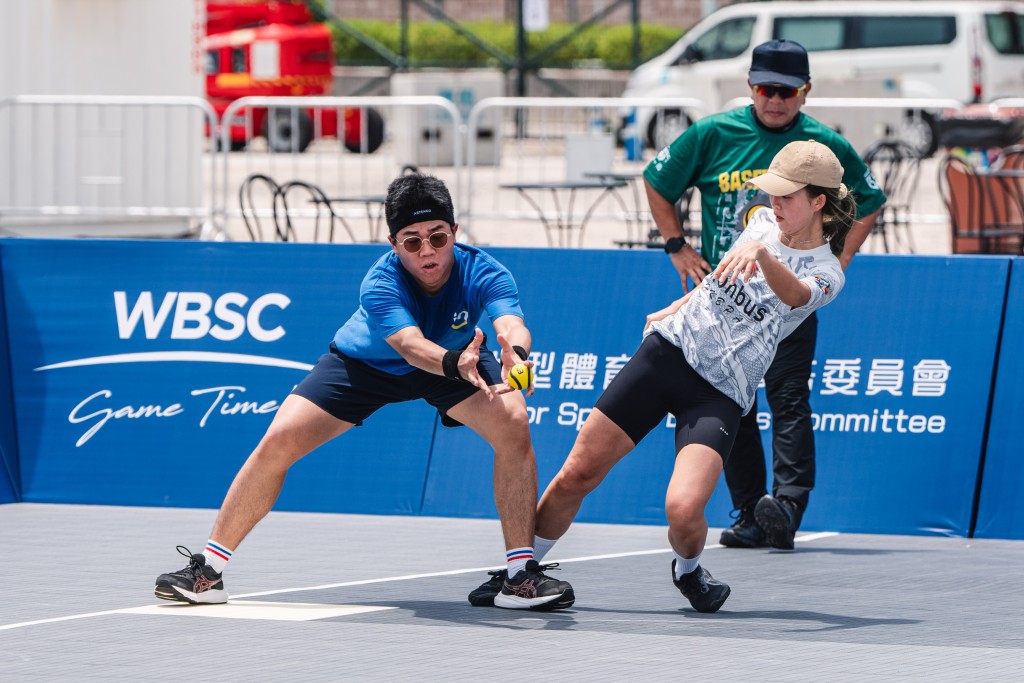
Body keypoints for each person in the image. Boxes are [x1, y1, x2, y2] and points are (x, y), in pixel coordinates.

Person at [155, 172, 574, 612]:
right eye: (412, 242)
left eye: (437, 236)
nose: (427, 251)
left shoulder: (483, 269)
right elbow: (411, 348)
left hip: (454, 360)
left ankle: (519, 576)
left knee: (514, 421)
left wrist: (516, 350)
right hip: (367, 366)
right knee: (278, 440)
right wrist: (455, 363)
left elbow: (510, 321)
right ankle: (208, 571)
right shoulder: (380, 284)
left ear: (455, 231)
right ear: (393, 244)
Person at [478, 140, 854, 613]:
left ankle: (689, 569)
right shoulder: (760, 223)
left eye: (787, 196)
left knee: (682, 508)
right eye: (773, 193)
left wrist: (763, 255)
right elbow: (721, 278)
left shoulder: (827, 272)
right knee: (577, 472)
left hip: (719, 391)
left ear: (819, 200)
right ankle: (520, 574)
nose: (774, 203)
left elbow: (797, 296)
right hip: (668, 353)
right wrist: (676, 307)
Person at [643, 39, 887, 550]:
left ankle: (789, 507)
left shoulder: (822, 147)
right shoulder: (714, 132)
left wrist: (840, 258)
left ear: (805, 92)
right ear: (750, 87)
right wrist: (676, 246)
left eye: (785, 90)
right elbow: (657, 180)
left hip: (788, 307)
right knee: (733, 403)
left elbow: (869, 199)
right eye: (763, 88)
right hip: (726, 301)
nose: (774, 99)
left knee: (790, 398)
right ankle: (752, 512)